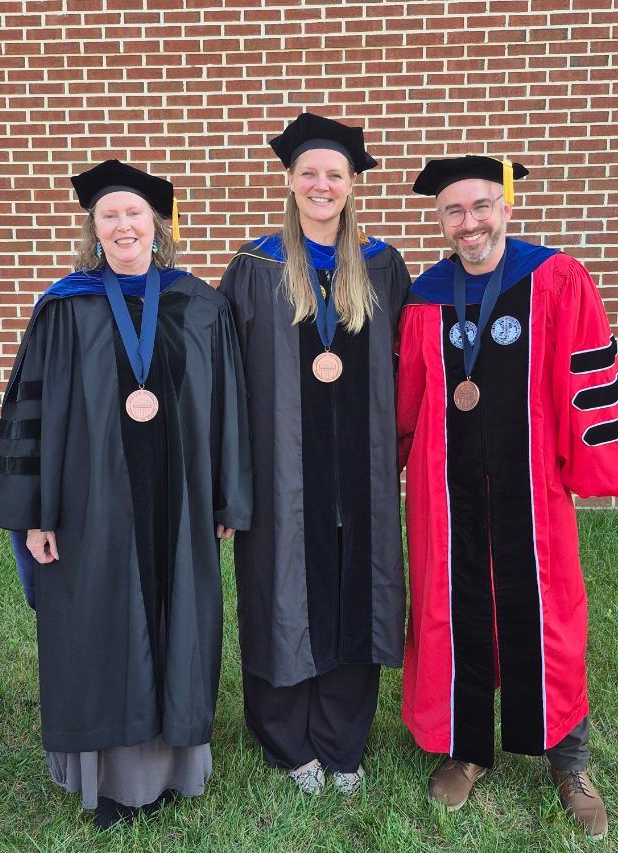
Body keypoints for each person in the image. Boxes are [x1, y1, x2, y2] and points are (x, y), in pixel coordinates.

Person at [0, 159, 252, 830]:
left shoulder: (199, 304)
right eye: (110, 215)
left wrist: (227, 497)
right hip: (88, 505)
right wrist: (35, 514)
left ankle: (173, 769)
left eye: (135, 213)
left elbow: (229, 411)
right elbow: (29, 417)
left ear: (157, 224)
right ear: (94, 228)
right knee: (101, 627)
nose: (123, 225)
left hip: (179, 503)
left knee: (178, 621)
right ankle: (106, 779)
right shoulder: (65, 307)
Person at [396, 154, 617, 839]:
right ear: (441, 220)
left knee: (550, 612)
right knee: (453, 610)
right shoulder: (427, 294)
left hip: (532, 488)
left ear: (507, 206)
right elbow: (406, 398)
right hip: (447, 489)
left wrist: (592, 468)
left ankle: (569, 759)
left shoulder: (554, 278)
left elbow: (588, 373)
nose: (470, 223)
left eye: (481, 206)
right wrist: (388, 465)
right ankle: (468, 748)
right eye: (454, 211)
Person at [219, 112, 410, 795]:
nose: (321, 184)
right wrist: (228, 481)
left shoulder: (383, 266)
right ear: (291, 181)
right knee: (281, 594)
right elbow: (224, 378)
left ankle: (341, 737)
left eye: (335, 174)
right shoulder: (254, 266)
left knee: (357, 592)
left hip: (360, 475)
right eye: (309, 173)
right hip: (279, 474)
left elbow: (408, 368)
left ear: (353, 185)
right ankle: (288, 738)